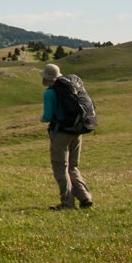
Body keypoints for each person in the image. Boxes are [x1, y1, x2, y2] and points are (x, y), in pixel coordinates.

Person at [40, 63, 94, 210]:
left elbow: (47, 116)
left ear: (46, 78)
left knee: (60, 168)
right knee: (73, 166)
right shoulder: (70, 87)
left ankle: (67, 202)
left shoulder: (49, 93)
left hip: (60, 133)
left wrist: (42, 118)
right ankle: (85, 197)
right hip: (76, 131)